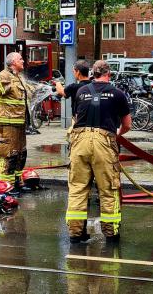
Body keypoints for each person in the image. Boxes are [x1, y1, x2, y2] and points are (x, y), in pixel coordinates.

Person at [66, 60, 131, 243]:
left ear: (93, 74)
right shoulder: (118, 94)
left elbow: (77, 117)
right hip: (104, 142)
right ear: (108, 74)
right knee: (108, 189)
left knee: (77, 189)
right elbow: (127, 124)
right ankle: (111, 233)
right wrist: (116, 135)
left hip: (79, 141)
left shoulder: (81, 91)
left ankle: (75, 233)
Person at [0, 52, 34, 188]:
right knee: (8, 154)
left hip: (19, 124)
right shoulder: (5, 75)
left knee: (20, 154)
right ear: (13, 62)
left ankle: (17, 182)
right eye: (20, 59)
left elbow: (28, 92)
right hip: (8, 124)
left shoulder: (18, 77)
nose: (23, 61)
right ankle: (6, 185)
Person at [54, 59, 92, 124]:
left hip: (79, 120)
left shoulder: (74, 87)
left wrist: (57, 83)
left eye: (74, 71)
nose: (74, 73)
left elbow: (61, 91)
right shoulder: (94, 85)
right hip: (92, 119)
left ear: (78, 72)